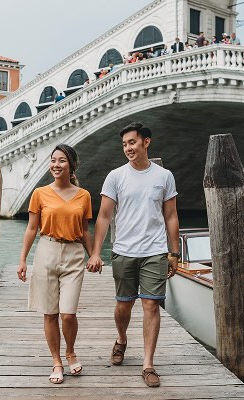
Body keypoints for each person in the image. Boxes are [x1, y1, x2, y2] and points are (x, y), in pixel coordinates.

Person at [87, 122, 179, 388]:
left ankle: (148, 364)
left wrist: (174, 252)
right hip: (124, 251)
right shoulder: (115, 176)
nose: (128, 148)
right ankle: (122, 339)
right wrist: (96, 252)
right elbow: (104, 216)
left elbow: (171, 216)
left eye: (132, 142)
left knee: (151, 305)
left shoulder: (164, 176)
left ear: (146, 142)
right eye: (125, 144)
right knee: (123, 306)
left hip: (155, 251)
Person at [17, 144, 94, 385]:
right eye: (53, 160)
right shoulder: (39, 193)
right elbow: (31, 229)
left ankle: (70, 352)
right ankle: (57, 361)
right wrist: (22, 260)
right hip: (46, 251)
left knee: (68, 313)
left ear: (71, 165)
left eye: (61, 161)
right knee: (50, 312)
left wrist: (94, 255)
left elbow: (84, 231)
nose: (56, 165)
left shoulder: (84, 195)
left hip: (73, 254)